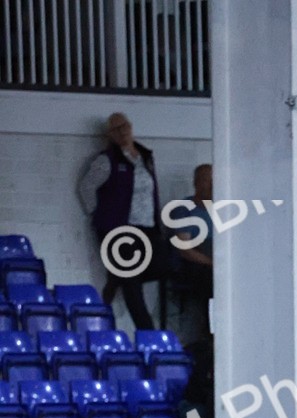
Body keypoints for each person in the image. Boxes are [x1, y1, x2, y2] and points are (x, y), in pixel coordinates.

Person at [78, 111, 167, 329]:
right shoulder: (106, 160)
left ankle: (116, 278)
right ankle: (147, 332)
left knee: (163, 265)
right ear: (110, 135)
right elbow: (86, 187)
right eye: (116, 128)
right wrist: (99, 213)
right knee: (132, 283)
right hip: (119, 230)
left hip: (147, 227)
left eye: (125, 125)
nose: (123, 131)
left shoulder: (145, 157)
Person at [174, 163, 214, 336]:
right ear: (196, 183)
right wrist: (212, 263)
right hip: (194, 265)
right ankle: (208, 337)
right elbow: (185, 249)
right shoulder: (184, 209)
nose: (212, 185)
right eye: (207, 180)